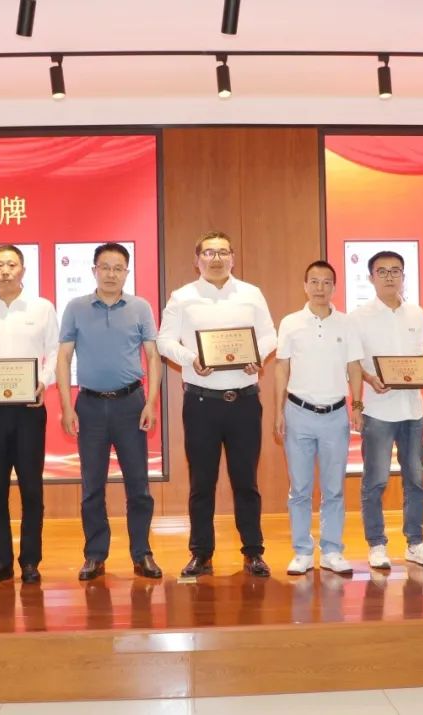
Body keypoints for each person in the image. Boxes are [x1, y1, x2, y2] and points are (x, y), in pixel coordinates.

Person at [157, 230, 277, 578]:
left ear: (233, 258)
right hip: (201, 403)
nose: (216, 259)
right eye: (208, 253)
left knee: (246, 482)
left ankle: (253, 552)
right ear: (197, 260)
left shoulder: (251, 294)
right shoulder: (182, 297)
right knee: (202, 482)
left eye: (223, 252)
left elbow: (269, 334)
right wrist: (190, 358)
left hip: (244, 402)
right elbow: (164, 340)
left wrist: (257, 355)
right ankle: (201, 553)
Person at [57, 242, 163, 581]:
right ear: (94, 270)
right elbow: (63, 358)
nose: (111, 274)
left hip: (131, 404)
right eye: (105, 267)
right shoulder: (75, 307)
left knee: (138, 486)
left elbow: (153, 357)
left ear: (126, 273)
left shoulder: (140, 307)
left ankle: (142, 553)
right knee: (92, 486)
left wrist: (151, 402)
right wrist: (66, 407)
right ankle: (94, 555)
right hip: (89, 406)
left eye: (118, 268)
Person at [0, 245, 59, 585]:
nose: (5, 271)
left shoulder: (42, 308)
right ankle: (2, 561)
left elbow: (54, 352)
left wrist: (43, 382)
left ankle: (31, 561)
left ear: (23, 269)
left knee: (31, 489)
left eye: (11, 264)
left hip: (28, 410)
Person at [350, 250, 423, 570]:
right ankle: (376, 544)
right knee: (375, 481)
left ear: (403, 276)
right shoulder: (358, 317)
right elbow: (354, 363)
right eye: (382, 271)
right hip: (378, 411)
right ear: (371, 277)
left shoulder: (416, 313)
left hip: (413, 409)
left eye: (395, 271)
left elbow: (420, 353)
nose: (389, 277)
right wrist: (369, 380)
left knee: (415, 481)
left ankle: (415, 542)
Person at [274, 260, 363, 576]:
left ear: (334, 287)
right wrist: (278, 411)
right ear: (305, 286)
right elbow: (281, 367)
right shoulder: (290, 322)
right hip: (298, 413)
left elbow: (354, 367)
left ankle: (332, 550)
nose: (320, 288)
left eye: (326, 282)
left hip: (335, 415)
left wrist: (357, 405)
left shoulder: (347, 324)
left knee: (333, 488)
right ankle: (301, 551)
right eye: (314, 281)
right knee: (299, 489)